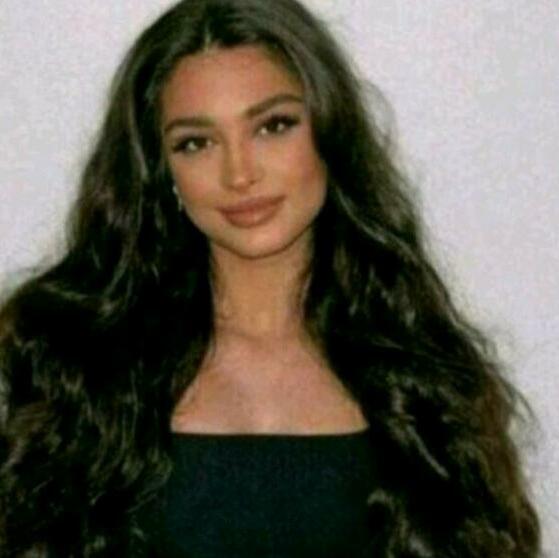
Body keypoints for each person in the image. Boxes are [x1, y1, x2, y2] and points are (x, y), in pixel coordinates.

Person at [0, 0, 541, 556]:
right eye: (196, 142)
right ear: (161, 172)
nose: (240, 173)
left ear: (329, 133)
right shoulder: (79, 366)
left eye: (273, 126)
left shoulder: (425, 377)